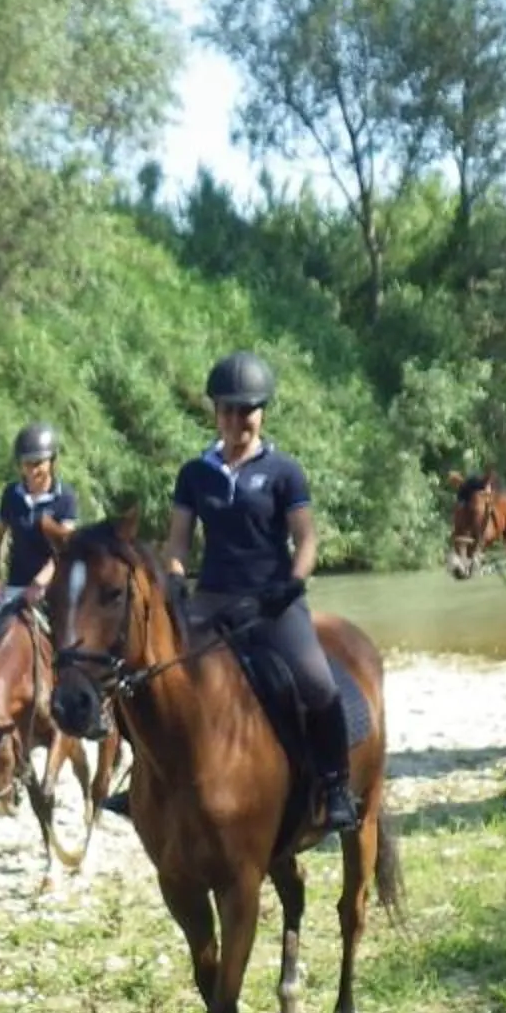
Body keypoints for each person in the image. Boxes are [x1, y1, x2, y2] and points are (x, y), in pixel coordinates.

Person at [161, 350, 359, 838]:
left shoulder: (284, 471)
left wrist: (291, 583)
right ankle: (149, 779)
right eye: (227, 409)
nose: (236, 420)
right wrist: (174, 578)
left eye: (246, 410)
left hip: (272, 599)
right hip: (213, 597)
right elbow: (179, 540)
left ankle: (335, 786)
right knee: (157, 676)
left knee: (317, 684)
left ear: (261, 411)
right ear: (216, 413)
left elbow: (307, 537)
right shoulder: (194, 473)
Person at [0, 422, 79, 613]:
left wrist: (39, 583)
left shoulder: (65, 497)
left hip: (53, 588)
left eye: (38, 464)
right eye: (27, 464)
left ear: (51, 462)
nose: (32, 471)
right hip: (15, 588)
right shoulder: (11, 495)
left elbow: (65, 550)